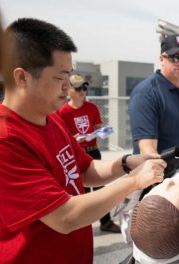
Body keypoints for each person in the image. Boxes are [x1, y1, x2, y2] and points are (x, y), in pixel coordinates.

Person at [0, 18, 166, 264]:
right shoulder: (6, 140)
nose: (68, 88)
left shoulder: (51, 118)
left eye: (70, 75)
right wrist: (134, 181)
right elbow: (65, 217)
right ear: (22, 78)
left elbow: (85, 169)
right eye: (60, 77)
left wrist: (128, 162)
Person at [57, 74, 120, 233]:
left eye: (85, 88)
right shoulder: (62, 112)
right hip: (76, 155)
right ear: (69, 89)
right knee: (81, 192)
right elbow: (60, 137)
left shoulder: (92, 108)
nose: (82, 91)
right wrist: (73, 140)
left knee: (100, 189)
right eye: (78, 88)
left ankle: (106, 222)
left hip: (93, 152)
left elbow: (101, 129)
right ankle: (82, 226)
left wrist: (99, 133)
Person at [129, 34, 179, 156]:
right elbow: (147, 150)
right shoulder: (146, 94)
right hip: (160, 172)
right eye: (175, 57)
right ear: (162, 59)